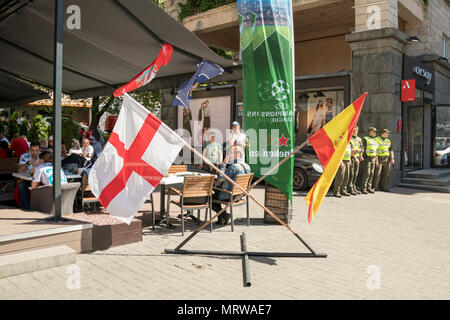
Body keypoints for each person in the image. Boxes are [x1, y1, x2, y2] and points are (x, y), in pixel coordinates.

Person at [212, 146, 251, 225]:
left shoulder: (234, 167)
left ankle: (224, 215)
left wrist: (224, 163)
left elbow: (220, 178)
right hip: (239, 195)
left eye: (230, 153)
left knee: (210, 195)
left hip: (229, 195)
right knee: (216, 191)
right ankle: (221, 219)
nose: (228, 155)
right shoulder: (247, 166)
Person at [17, 141, 41, 209]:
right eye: (32, 150)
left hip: (39, 180)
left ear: (39, 150)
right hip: (27, 180)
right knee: (21, 185)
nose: (34, 153)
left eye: (36, 150)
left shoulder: (42, 156)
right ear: (30, 149)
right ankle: (26, 208)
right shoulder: (24, 156)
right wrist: (27, 163)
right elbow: (19, 170)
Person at [360, 127, 379, 194]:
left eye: (375, 132)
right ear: (370, 132)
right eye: (374, 131)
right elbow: (363, 148)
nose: (375, 133)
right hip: (367, 158)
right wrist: (362, 156)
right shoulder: (365, 138)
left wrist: (377, 160)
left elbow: (376, 151)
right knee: (367, 173)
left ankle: (369, 187)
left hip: (373, 158)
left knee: (371, 173)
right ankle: (363, 188)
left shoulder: (375, 140)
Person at [347, 126, 363, 195]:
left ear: (357, 131)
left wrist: (361, 155)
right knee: (352, 174)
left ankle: (354, 187)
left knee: (356, 174)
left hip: (357, 158)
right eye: (353, 131)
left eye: (355, 131)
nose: (354, 132)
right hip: (352, 158)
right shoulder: (349, 139)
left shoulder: (359, 139)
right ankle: (350, 188)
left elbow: (361, 148)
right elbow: (351, 150)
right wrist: (357, 151)